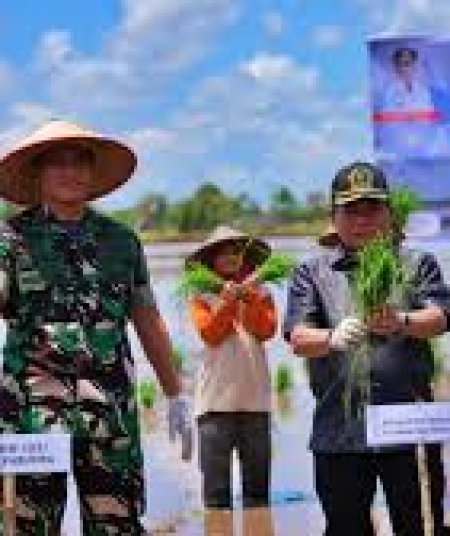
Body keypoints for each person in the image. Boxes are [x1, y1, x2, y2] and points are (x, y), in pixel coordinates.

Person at [0, 119, 192, 534]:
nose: (70, 172)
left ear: (92, 172)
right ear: (38, 173)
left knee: (116, 525)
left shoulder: (121, 241)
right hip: (31, 417)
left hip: (110, 414)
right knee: (28, 525)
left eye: (79, 162)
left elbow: (147, 318)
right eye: (57, 163)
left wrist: (176, 393)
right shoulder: (10, 240)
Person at [283, 162, 450, 535]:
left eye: (372, 209)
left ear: (389, 213)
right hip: (339, 432)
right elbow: (297, 337)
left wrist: (404, 322)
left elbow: (442, 316)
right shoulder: (312, 272)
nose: (362, 219)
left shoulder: (416, 263)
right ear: (334, 217)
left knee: (422, 527)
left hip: (409, 427)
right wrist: (331, 338)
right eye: (351, 210)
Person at [186, 226, 277, 535]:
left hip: (256, 404)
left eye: (236, 251)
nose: (230, 257)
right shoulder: (201, 294)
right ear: (211, 258)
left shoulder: (262, 292)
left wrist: (246, 295)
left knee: (258, 498)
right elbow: (211, 334)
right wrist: (226, 301)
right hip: (213, 407)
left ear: (245, 257)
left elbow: (265, 330)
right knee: (216, 499)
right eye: (222, 251)